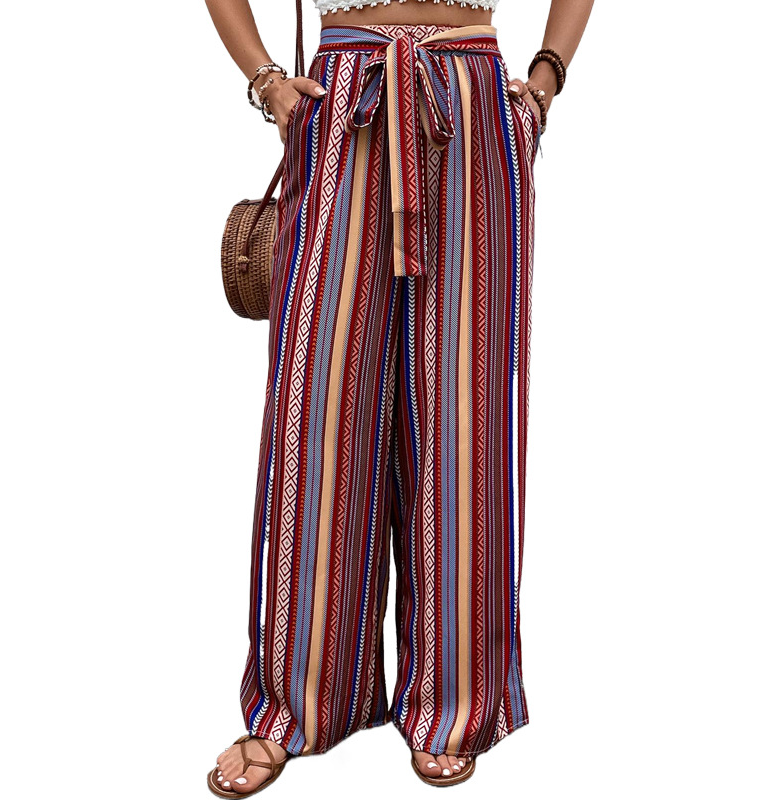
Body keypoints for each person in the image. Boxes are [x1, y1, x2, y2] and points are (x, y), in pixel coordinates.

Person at [204, 0, 594, 794]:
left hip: (474, 104)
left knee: (466, 409)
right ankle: (298, 704)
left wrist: (546, 79)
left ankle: (455, 704)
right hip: (343, 100)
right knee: (318, 405)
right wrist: (268, 82)